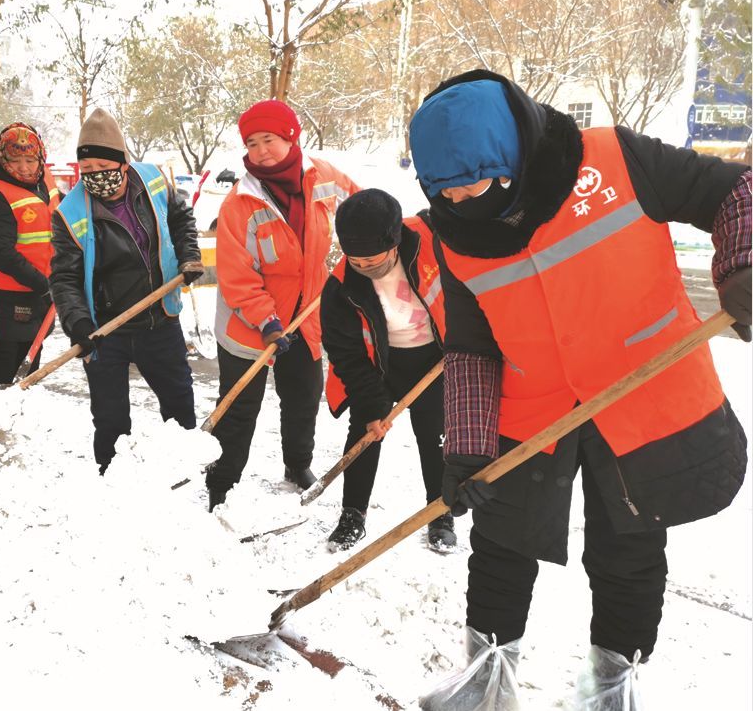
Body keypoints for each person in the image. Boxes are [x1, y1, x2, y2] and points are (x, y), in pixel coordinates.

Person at [408, 69, 750, 709]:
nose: (461, 203)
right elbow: (473, 347)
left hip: (645, 398)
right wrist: (467, 448)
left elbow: (737, 190)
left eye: (475, 184)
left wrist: (743, 263)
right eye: (444, 193)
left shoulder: (616, 159)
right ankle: (485, 684)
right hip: (532, 411)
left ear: (513, 158)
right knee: (500, 548)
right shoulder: (455, 236)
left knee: (629, 550)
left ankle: (609, 691)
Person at [206, 100, 361, 511]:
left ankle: (298, 465)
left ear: (291, 136)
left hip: (306, 318)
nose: (260, 151)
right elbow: (237, 278)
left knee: (303, 397)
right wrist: (267, 321)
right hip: (249, 324)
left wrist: (365, 247)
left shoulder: (324, 177)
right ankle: (224, 477)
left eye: (269, 140)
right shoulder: (239, 203)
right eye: (252, 143)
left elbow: (361, 209)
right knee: (239, 408)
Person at [50, 108, 204, 476]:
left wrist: (189, 256)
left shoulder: (151, 179)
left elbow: (180, 217)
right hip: (106, 331)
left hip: (160, 319)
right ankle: (112, 483)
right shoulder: (69, 212)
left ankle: (182, 474)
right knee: (110, 420)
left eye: (103, 166)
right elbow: (64, 278)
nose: (95, 176)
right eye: (86, 170)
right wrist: (78, 324)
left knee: (180, 406)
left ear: (123, 163)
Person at [321, 188, 455, 553]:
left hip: (433, 358)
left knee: (435, 436)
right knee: (364, 436)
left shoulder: (432, 242)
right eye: (356, 261)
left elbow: (467, 285)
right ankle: (352, 515)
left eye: (373, 260)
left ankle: (440, 512)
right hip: (377, 366)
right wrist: (372, 402)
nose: (364, 267)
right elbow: (345, 353)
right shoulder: (340, 288)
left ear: (394, 241)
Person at [0, 122, 56, 386]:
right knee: (3, 363)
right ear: (3, 157)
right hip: (1, 293)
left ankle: (19, 418)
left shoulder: (43, 182)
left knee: (30, 360)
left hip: (38, 289)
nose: (24, 167)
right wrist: (45, 285)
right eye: (16, 160)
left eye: (30, 159)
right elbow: (1, 253)